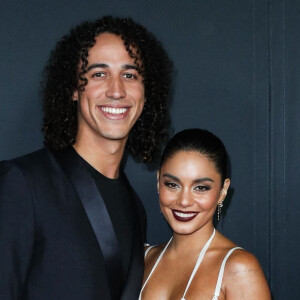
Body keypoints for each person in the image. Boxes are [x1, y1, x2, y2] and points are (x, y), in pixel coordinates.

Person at [0, 16, 172, 300]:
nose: (116, 91)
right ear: (73, 89)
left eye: (129, 75)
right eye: (98, 74)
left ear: (146, 92)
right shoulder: (22, 184)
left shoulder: (135, 207)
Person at [139, 129, 271, 300]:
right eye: (172, 184)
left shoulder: (239, 269)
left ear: (223, 191)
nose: (184, 201)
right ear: (158, 183)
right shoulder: (143, 258)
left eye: (200, 188)